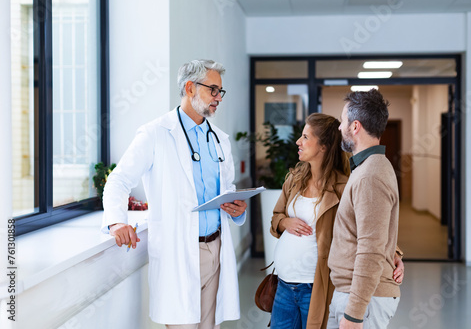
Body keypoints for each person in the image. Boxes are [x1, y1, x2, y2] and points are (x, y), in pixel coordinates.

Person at [101, 59, 247, 329]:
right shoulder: (155, 133)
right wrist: (116, 221)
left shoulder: (218, 139)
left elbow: (228, 190)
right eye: (213, 90)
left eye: (220, 91)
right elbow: (119, 180)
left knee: (209, 326)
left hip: (216, 247)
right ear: (190, 88)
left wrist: (237, 208)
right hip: (179, 249)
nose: (218, 98)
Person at [269, 113, 404, 329]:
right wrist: (286, 223)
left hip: (316, 287)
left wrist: (394, 254)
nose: (298, 142)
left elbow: (369, 226)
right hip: (284, 285)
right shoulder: (294, 179)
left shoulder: (344, 186)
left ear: (323, 146)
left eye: (305, 137)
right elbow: (276, 218)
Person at [327, 89, 402, 329]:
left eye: (343, 121)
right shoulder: (369, 168)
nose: (340, 127)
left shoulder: (370, 175)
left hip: (362, 302)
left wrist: (354, 316)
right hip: (355, 295)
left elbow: (370, 250)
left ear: (355, 126)